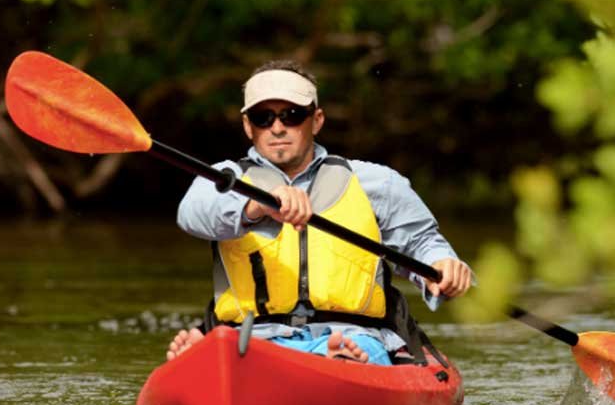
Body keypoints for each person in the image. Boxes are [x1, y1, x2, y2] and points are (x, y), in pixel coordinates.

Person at [167, 59, 472, 364]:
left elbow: (422, 243)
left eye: (292, 115)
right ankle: (217, 357)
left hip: (353, 334)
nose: (277, 128)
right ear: (248, 126)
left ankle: (338, 358)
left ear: (317, 120)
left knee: (357, 348)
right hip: (253, 338)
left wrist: (442, 265)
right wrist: (256, 205)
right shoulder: (223, 180)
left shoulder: (376, 182)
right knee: (234, 347)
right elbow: (192, 215)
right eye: (264, 117)